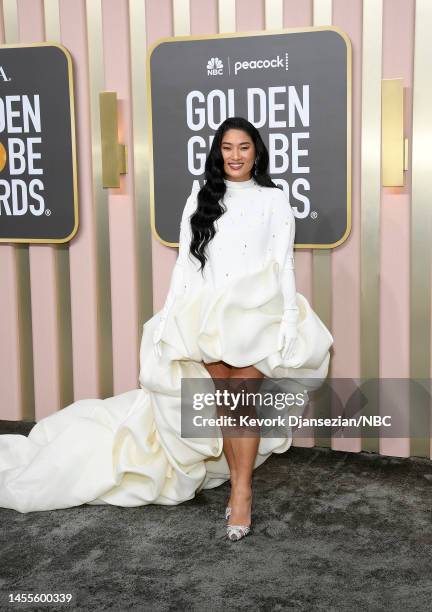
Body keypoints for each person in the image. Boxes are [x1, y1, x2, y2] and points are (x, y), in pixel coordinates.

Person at [0, 117, 333, 542]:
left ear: (257, 152)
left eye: (244, 147)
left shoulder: (274, 198)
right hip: (208, 315)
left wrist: (288, 319)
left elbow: (283, 263)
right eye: (227, 147)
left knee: (241, 404)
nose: (235, 155)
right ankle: (236, 483)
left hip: (258, 314)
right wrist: (170, 314)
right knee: (222, 406)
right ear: (218, 151)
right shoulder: (201, 194)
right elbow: (185, 262)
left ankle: (243, 493)